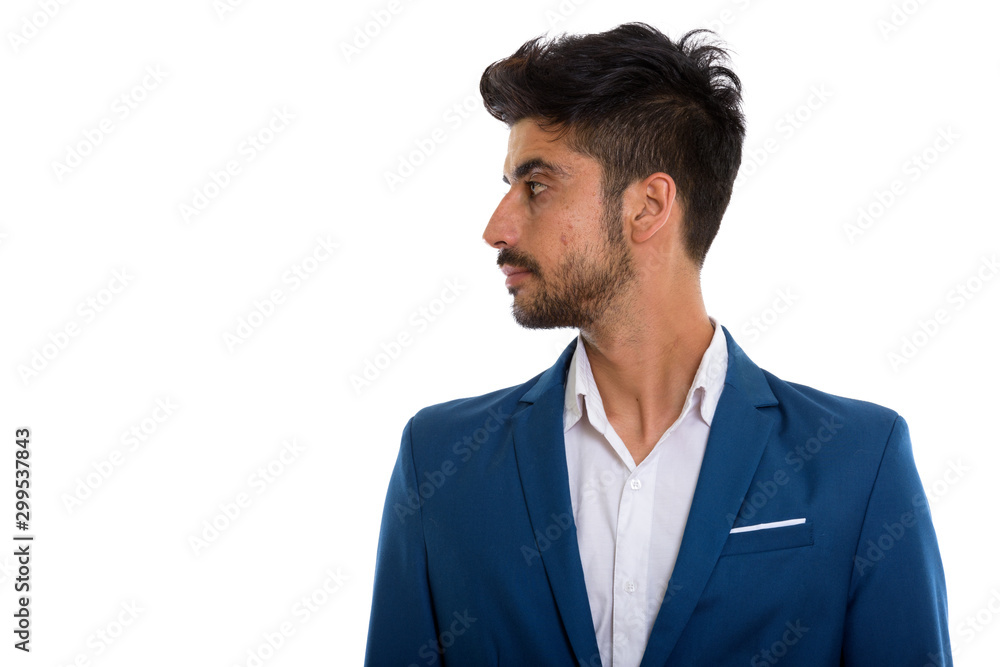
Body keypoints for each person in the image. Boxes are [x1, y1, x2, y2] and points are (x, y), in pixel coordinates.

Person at [364, 22, 951, 666]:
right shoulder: (442, 461)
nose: (496, 227)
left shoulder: (857, 462)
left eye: (536, 186)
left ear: (648, 206)